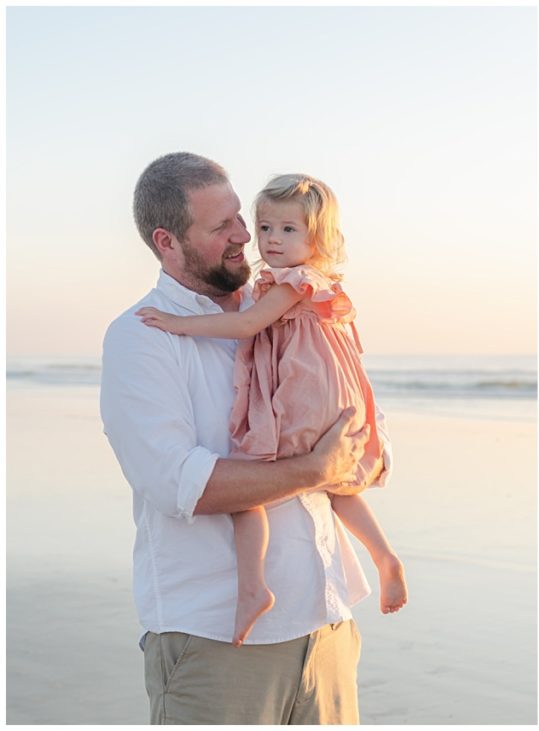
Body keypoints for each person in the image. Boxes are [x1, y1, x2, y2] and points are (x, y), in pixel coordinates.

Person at [100, 152, 385, 724]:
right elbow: (184, 486)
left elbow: (336, 407)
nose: (243, 237)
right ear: (168, 242)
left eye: (240, 218)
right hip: (216, 642)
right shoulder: (143, 337)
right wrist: (316, 469)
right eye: (222, 227)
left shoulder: (283, 308)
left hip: (327, 626)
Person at [136, 172, 408, 646]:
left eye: (287, 230)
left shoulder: (289, 284)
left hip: (305, 394)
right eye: (265, 227)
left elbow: (246, 327)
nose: (265, 239)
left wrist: (179, 323)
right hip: (328, 394)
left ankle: (252, 587)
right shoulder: (316, 284)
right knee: (336, 484)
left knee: (250, 483)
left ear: (316, 237)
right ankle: (384, 556)